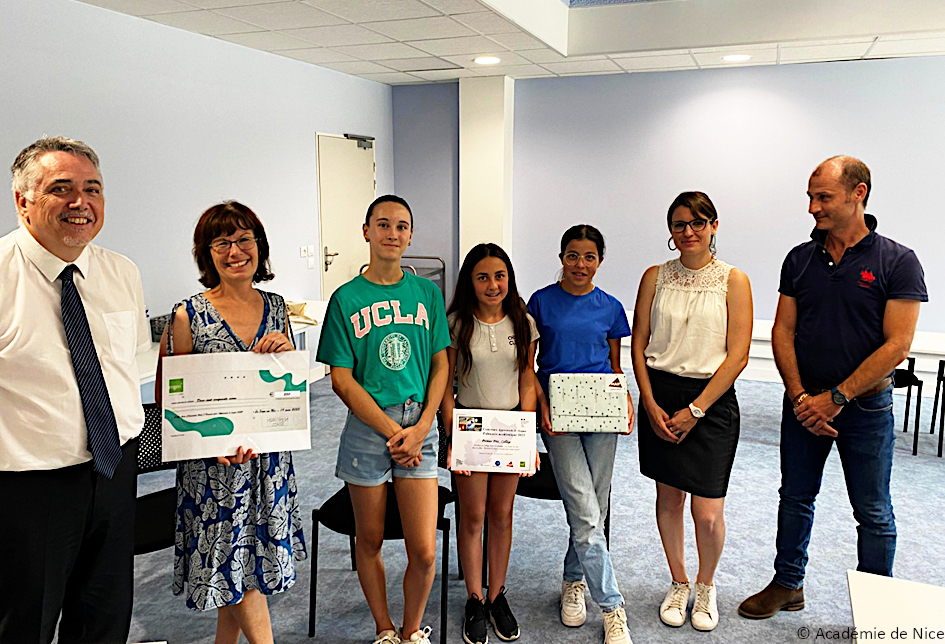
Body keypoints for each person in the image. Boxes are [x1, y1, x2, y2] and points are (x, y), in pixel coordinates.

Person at [739, 156, 927, 619]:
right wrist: (803, 398)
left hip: (863, 409)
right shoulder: (800, 259)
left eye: (822, 197)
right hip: (804, 405)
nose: (812, 207)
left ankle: (879, 607)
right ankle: (788, 584)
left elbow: (897, 345)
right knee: (795, 496)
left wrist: (837, 398)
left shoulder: (897, 261)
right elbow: (782, 332)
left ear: (857, 193)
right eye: (810, 196)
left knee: (873, 510)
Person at [0, 137, 150, 644]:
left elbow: (124, 368)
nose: (79, 202)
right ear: (22, 200)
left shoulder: (120, 272)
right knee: (25, 620)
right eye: (60, 189)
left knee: (105, 616)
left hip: (114, 468)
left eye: (93, 189)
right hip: (29, 488)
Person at [157, 201, 307, 644]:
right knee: (229, 562)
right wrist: (208, 446)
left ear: (259, 246)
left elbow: (285, 389)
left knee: (245, 569)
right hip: (214, 469)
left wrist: (285, 353)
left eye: (244, 239)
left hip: (267, 462)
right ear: (207, 254)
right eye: (221, 242)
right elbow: (172, 398)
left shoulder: (278, 308)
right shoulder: (186, 314)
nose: (235, 250)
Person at [316, 195, 450, 644]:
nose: (393, 234)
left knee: (425, 551)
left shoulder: (426, 294)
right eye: (384, 225)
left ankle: (413, 631)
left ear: (410, 235)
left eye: (402, 226)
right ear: (367, 231)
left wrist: (423, 425)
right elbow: (341, 379)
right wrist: (395, 432)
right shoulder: (346, 299)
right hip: (370, 429)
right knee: (368, 541)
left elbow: (440, 365)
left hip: (418, 425)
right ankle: (385, 629)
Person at [631, 192, 752, 631]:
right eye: (680, 224)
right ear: (670, 230)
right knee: (669, 498)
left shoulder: (732, 280)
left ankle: (706, 585)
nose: (689, 232)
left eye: (698, 223)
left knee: (707, 511)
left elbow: (737, 356)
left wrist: (696, 410)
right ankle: (678, 581)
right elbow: (639, 345)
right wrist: (650, 402)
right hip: (661, 397)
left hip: (711, 401)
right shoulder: (654, 277)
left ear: (714, 226)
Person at [528, 224, 634, 644]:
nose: (580, 264)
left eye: (589, 257)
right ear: (561, 258)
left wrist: (625, 400)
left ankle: (574, 579)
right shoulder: (541, 302)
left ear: (600, 262)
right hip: (559, 412)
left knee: (597, 505)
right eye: (573, 255)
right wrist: (541, 406)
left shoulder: (610, 307)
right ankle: (612, 606)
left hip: (602, 410)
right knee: (587, 512)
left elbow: (614, 364)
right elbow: (529, 364)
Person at [440, 243, 540, 644]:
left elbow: (527, 379)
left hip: (511, 429)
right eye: (483, 277)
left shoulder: (522, 320)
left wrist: (529, 434)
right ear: (470, 281)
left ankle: (498, 593)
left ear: (510, 279)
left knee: (502, 515)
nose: (493, 284)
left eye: (500, 276)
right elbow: (444, 386)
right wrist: (452, 436)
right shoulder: (455, 324)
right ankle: (474, 598)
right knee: (474, 517)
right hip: (471, 430)